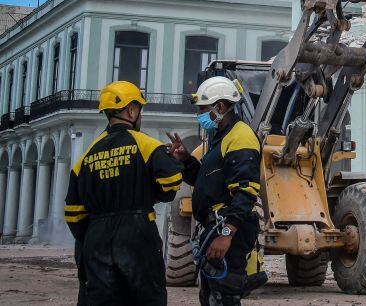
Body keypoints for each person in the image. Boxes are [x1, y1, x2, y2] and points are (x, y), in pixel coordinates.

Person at [64, 80, 184, 305]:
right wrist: (152, 191)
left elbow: (72, 213)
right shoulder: (147, 145)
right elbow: (171, 180)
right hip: (137, 233)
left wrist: (93, 235)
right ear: (131, 110)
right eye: (139, 109)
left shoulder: (85, 157)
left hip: (96, 237)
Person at [168, 76, 267, 305]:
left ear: (220, 107)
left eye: (203, 109)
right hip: (216, 228)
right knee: (212, 297)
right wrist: (185, 160)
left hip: (228, 232)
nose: (199, 116)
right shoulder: (219, 138)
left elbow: (246, 192)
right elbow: (208, 183)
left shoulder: (240, 137)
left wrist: (226, 234)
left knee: (225, 296)